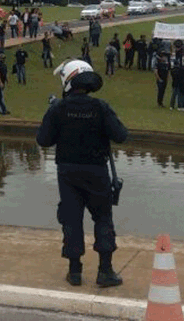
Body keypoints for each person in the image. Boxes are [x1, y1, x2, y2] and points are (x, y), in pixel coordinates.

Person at [37, 60, 129, 288]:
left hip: (68, 173)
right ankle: (105, 271)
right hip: (97, 171)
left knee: (71, 219)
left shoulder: (58, 108)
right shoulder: (100, 107)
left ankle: (75, 272)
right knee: (103, 218)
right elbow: (120, 135)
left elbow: (43, 140)